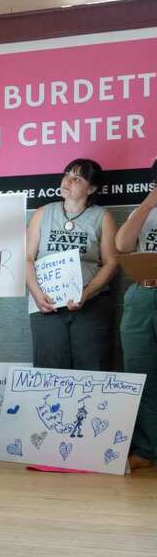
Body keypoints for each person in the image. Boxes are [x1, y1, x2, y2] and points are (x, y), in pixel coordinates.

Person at [26, 158, 118, 370]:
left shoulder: (102, 216)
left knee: (92, 369)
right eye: (67, 175)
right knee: (49, 370)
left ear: (91, 188)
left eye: (77, 179)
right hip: (47, 304)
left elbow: (112, 263)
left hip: (91, 304)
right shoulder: (43, 213)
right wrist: (37, 294)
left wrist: (86, 293)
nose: (67, 181)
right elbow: (27, 258)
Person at [115, 158, 157, 472]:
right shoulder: (143, 211)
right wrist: (148, 203)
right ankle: (146, 448)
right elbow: (122, 244)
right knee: (141, 373)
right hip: (143, 292)